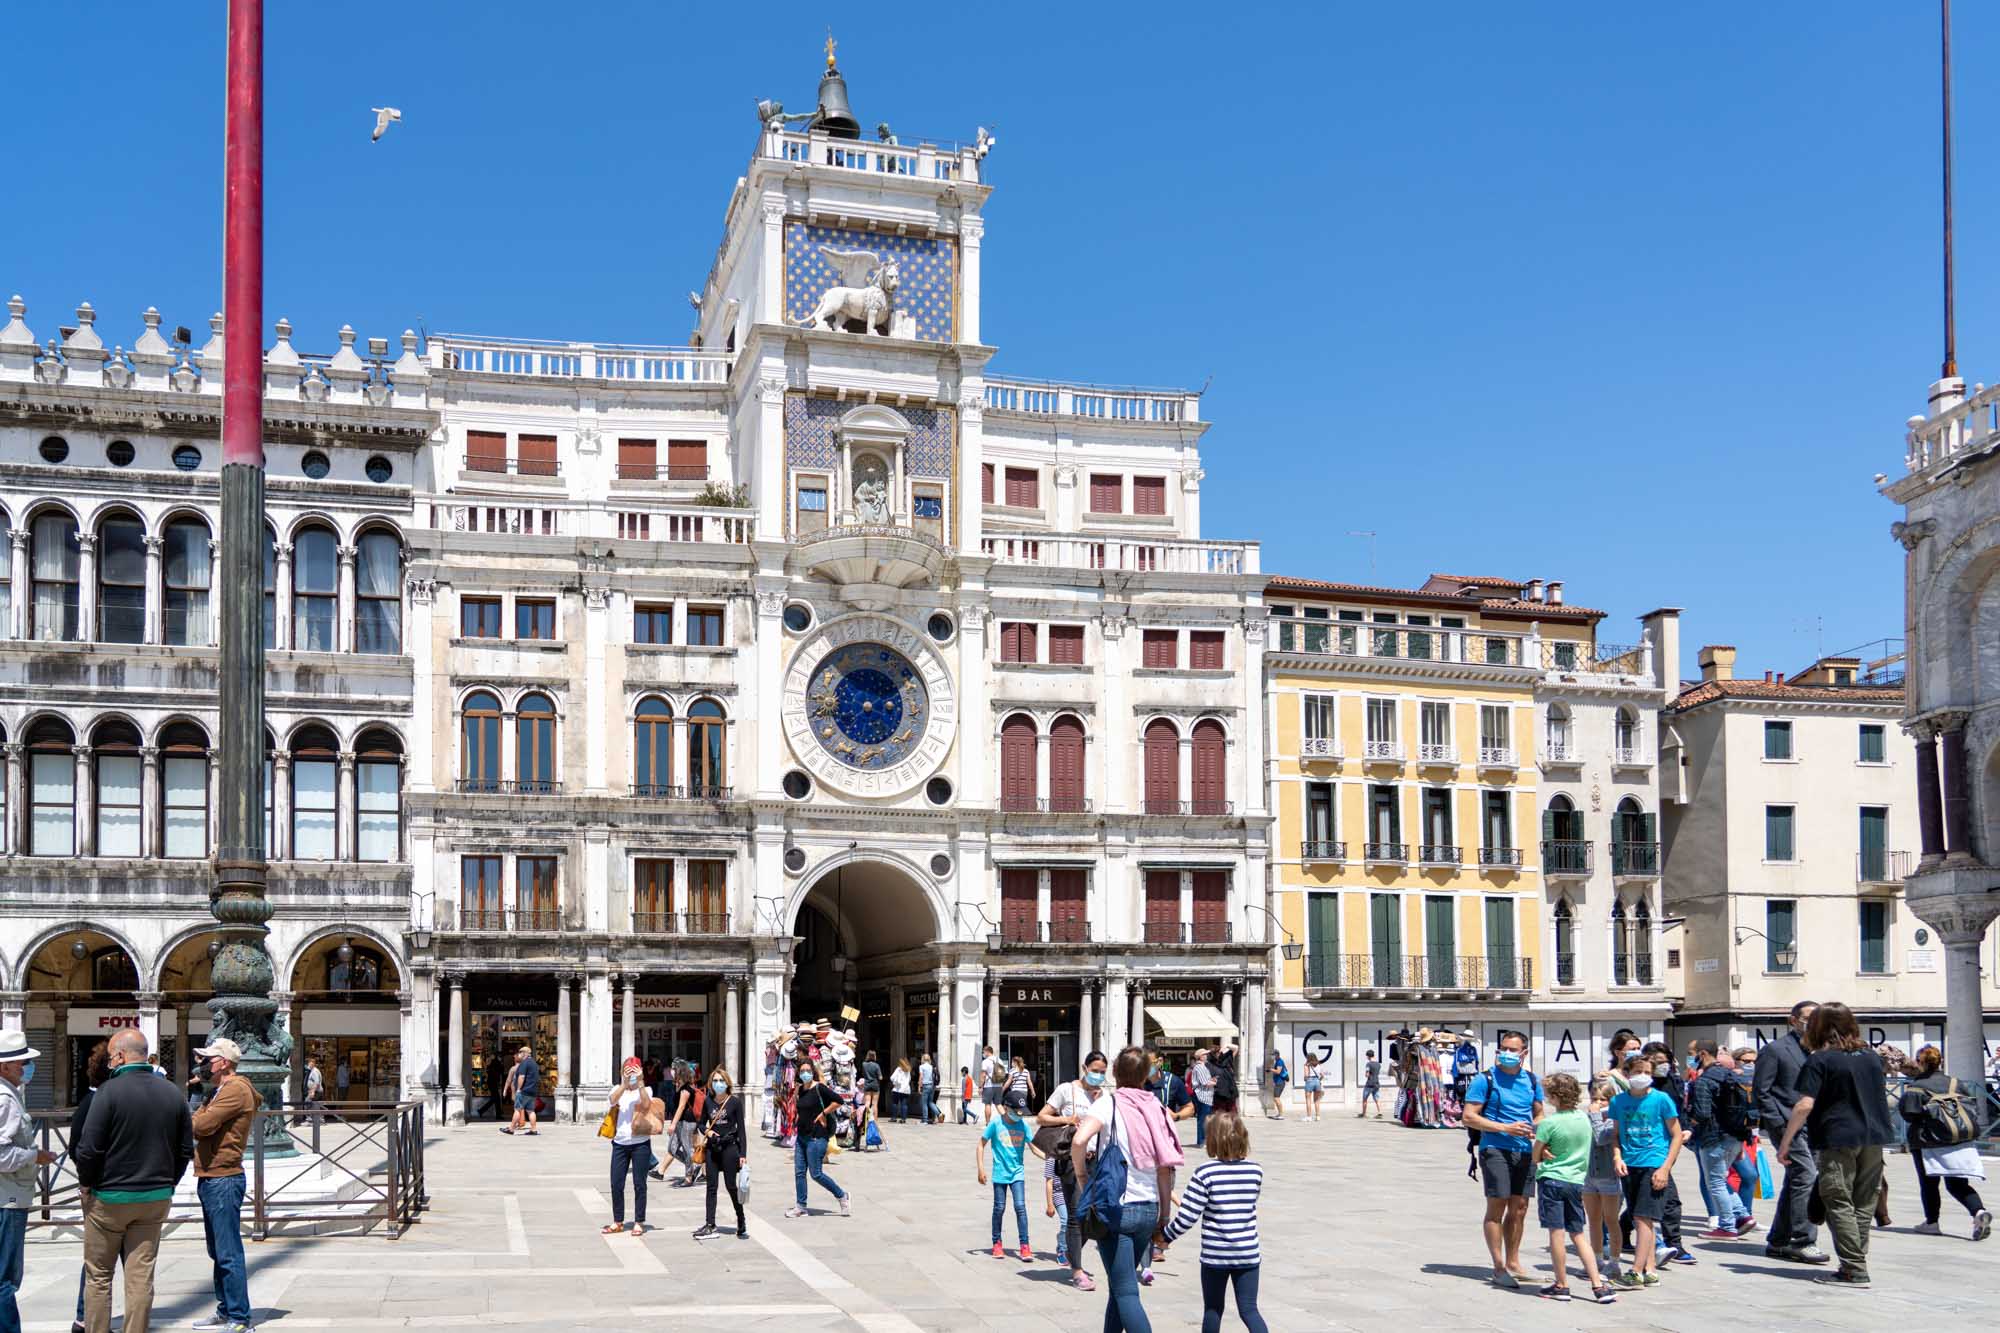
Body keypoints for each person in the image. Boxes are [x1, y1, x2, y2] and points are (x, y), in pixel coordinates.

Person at [73, 1030, 195, 1333]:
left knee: (99, 1275)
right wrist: (169, 1183)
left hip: (110, 1199)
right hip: (154, 1198)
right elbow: (184, 1149)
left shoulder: (107, 1093)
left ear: (120, 1057)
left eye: (113, 1056)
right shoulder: (172, 1093)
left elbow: (88, 1149)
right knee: (140, 1277)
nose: (111, 1061)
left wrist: (87, 1185)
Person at [1779, 1001, 1893, 1288]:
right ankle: (1854, 1261)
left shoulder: (1820, 1060)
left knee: (1837, 1200)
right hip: (1874, 1138)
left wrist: (1785, 1142)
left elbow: (1805, 1105)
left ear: (1817, 1027)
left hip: (1838, 1137)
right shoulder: (1870, 1056)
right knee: (1863, 1203)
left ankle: (1853, 1269)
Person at [1071, 1047, 1185, 1333]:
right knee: (1118, 1287)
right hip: (1148, 1209)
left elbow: (1079, 1140)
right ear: (1147, 1074)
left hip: (1117, 1208)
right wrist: (1163, 1217)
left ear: (1115, 1073)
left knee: (1126, 1292)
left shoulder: (1108, 1104)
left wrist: (1083, 1176)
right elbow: (1164, 1169)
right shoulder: (1158, 1108)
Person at [1161, 1111, 1269, 1332]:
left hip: (1216, 1255)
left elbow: (1188, 1215)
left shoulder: (1206, 1172)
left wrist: (1164, 1237)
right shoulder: (1255, 1170)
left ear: (1213, 1139)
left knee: (1213, 1309)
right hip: (1248, 1252)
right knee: (1249, 1309)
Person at [188, 1037, 259, 1333]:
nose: (202, 1065)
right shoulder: (218, 1091)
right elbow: (200, 1121)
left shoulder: (235, 1090)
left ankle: (240, 1318)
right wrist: (200, 1114)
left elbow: (199, 1125)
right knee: (217, 1250)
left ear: (224, 1063)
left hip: (224, 1177)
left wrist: (199, 1116)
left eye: (208, 1060)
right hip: (211, 1176)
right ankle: (225, 1309)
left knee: (228, 1251)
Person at [1461, 1029, 1542, 1287]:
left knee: (1520, 1208)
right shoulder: (1484, 1079)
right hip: (1494, 1147)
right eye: (1503, 1049)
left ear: (1524, 1053)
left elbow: (1539, 1113)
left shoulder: (1531, 1079)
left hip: (1525, 1150)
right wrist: (1505, 1128)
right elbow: (1469, 1116)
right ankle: (1498, 1266)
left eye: (1512, 1049)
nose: (1506, 1053)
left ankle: (1514, 1262)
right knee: (1497, 1206)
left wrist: (1534, 1127)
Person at [1529, 1073, 1614, 1304]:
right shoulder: (1583, 1119)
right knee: (1577, 1234)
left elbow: (1535, 1155)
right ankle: (1598, 1284)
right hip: (1576, 1181)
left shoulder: (1549, 1123)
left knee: (1556, 1232)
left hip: (1552, 1180)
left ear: (1555, 1097)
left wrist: (1543, 1150)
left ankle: (1561, 1284)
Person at [1755, 999, 1829, 1264]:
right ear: (1793, 1019)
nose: (1813, 1022)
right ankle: (1803, 1239)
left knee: (1797, 1179)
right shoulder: (1775, 1050)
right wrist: (1777, 1124)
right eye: (1808, 1017)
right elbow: (1762, 1092)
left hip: (1814, 1125)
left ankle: (1778, 1240)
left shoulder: (1820, 1051)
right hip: (1788, 1125)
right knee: (1806, 1175)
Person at [1898, 1044, 1991, 1240]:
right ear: (1940, 1062)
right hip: (1957, 1140)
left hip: (1927, 1143)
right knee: (1957, 1184)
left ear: (1919, 1062)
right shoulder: (1956, 1083)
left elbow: (1908, 1114)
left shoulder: (1916, 1087)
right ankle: (1979, 1212)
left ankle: (1932, 1222)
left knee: (1929, 1184)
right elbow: (1972, 1107)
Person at [0, 1030, 59, 1333]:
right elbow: (1, 1155)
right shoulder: (5, 1100)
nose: (26, 1067)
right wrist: (33, 1155)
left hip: (8, 1196)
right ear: (5, 1066)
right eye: (21, 1062)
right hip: (7, 1199)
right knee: (5, 1279)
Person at [1608, 1052, 1681, 1291]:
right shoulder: (1618, 1102)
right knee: (1642, 1218)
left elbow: (1677, 1135)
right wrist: (1617, 1156)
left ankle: (1636, 1271)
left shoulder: (1661, 1099)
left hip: (1654, 1163)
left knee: (1642, 1217)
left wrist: (1665, 1168)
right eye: (1638, 1072)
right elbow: (1616, 1134)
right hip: (1630, 1164)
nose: (1643, 1077)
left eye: (1648, 1072)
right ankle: (1650, 1270)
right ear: (1627, 1074)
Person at [1038, 1050, 1111, 1290]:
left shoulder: (1105, 1096)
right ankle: (1078, 1271)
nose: (1099, 1076)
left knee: (1096, 1213)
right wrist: (1067, 1120)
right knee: (1077, 1213)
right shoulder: (1066, 1089)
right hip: (1070, 1159)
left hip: (1096, 1161)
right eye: (1095, 1071)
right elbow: (1041, 1117)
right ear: (1084, 1067)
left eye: (1102, 1072)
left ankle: (1070, 1250)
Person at [1686, 1039, 1756, 1240]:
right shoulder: (1729, 1075)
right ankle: (1742, 1216)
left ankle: (1727, 1226)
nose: (1691, 1059)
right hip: (1735, 1135)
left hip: (1713, 1137)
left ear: (1702, 1054)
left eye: (1693, 1054)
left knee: (1715, 1182)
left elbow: (1703, 1113)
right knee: (1721, 1179)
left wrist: (1688, 1128)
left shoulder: (1704, 1080)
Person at [1635, 1040, 1694, 1265]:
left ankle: (1623, 1230)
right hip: (1645, 1147)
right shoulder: (1641, 1086)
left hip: (1669, 1145)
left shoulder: (1674, 1082)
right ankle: (1674, 1244)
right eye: (1657, 1062)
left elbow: (1680, 1111)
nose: (1662, 1066)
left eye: (1665, 1062)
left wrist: (1687, 1129)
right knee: (1667, 1197)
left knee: (1647, 1195)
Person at [603, 1057, 661, 1237]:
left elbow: (645, 1105)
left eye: (634, 1070)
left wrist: (641, 1082)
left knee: (639, 1183)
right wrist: (624, 1083)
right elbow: (612, 1100)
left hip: (640, 1143)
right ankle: (618, 1221)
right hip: (620, 1143)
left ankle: (638, 1221)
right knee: (616, 1183)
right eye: (628, 1069)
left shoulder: (647, 1089)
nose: (631, 1073)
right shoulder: (617, 1089)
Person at [785, 1059, 850, 1218]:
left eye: (808, 1070)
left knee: (816, 1174)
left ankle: (842, 1195)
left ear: (812, 1072)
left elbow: (839, 1101)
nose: (805, 1073)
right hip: (802, 1137)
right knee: (799, 1173)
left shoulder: (819, 1088)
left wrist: (824, 1113)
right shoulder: (800, 1090)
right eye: (802, 1071)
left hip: (817, 1137)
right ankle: (801, 1206)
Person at [692, 1067, 747, 1240]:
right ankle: (710, 1224)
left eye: (721, 1081)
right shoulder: (708, 1101)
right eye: (715, 1081)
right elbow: (701, 1124)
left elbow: (742, 1131)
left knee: (731, 1186)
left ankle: (740, 1218)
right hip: (713, 1148)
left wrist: (743, 1154)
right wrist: (708, 1132)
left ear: (727, 1083)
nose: (718, 1084)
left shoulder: (735, 1102)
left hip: (730, 1148)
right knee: (711, 1187)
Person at [1583, 1074, 1626, 1287]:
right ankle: (1596, 1258)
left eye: (1602, 1099)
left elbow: (1602, 1138)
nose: (1597, 1103)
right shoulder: (1589, 1117)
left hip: (1610, 1176)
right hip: (1589, 1176)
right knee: (1594, 1220)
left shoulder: (1612, 1120)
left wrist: (1595, 1117)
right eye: (1594, 1098)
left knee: (1610, 1219)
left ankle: (1615, 1261)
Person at [978, 1099, 1033, 1261]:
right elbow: (981, 1144)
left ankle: (1025, 1245)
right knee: (999, 1208)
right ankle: (997, 1242)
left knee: (1020, 1207)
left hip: (1018, 1172)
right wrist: (981, 1168)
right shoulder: (996, 1123)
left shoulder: (1023, 1125)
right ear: (1007, 1108)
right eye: (1016, 1112)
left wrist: (1050, 1157)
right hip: (1000, 1173)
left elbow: (1034, 1146)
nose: (1019, 1115)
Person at [1187, 1048, 1217, 1144]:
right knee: (1203, 1119)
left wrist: (1212, 1080)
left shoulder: (1202, 1067)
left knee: (1203, 1119)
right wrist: (1215, 1082)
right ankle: (1202, 1140)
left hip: (1205, 1095)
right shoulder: (1199, 1067)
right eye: (1205, 1054)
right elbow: (1205, 1082)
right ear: (1200, 1056)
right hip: (1202, 1096)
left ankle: (1203, 1140)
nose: (1206, 1056)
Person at [509, 1046, 541, 1136]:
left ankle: (511, 1128)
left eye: (520, 1052)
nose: (519, 1054)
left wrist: (519, 1089)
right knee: (531, 1111)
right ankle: (533, 1129)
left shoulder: (525, 1063)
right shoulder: (534, 1063)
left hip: (524, 1091)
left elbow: (521, 1076)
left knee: (518, 1109)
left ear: (524, 1053)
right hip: (532, 1091)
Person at [1211, 1045, 1240, 1115]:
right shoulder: (1211, 1063)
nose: (1217, 1054)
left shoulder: (1226, 1058)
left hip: (1230, 1091)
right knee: (1220, 1115)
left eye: (1218, 1052)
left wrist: (1226, 1045)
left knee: (1232, 1114)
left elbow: (1236, 1048)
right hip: (1219, 1093)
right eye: (1215, 1053)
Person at [979, 1046, 1002, 1125]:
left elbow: (983, 1075)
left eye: (984, 1052)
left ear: (987, 1051)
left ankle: (988, 1123)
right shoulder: (1000, 1060)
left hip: (989, 1086)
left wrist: (981, 1087)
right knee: (998, 1104)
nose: (983, 1054)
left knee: (987, 1104)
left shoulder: (985, 1061)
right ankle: (1006, 1122)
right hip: (999, 1085)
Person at [1357, 1049, 1382, 1120]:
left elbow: (1367, 1074)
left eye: (1367, 1056)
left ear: (1368, 1056)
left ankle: (1364, 1113)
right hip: (1376, 1083)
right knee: (1377, 1099)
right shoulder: (1378, 1064)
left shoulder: (1368, 1064)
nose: (1367, 1058)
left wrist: (1366, 1074)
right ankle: (1380, 1112)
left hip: (1369, 1084)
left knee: (1364, 1099)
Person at [861, 1050, 883, 1124]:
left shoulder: (864, 1064)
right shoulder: (876, 1065)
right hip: (875, 1085)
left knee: (867, 1103)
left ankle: (866, 1118)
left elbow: (863, 1074)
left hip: (867, 1084)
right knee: (874, 1104)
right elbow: (880, 1077)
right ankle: (875, 1121)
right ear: (874, 1056)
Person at [1264, 1053, 1287, 1120]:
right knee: (1276, 1098)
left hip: (1280, 1082)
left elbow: (1278, 1071)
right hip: (1278, 1082)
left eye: (1273, 1055)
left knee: (1276, 1098)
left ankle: (1281, 1114)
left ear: (1277, 1055)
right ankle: (1279, 1114)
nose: (1272, 1056)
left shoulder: (1279, 1061)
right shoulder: (1277, 1061)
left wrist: (1271, 1069)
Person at [1300, 1054, 1323, 1122]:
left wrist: (1305, 1079)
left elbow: (1306, 1075)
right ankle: (1318, 1116)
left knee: (1308, 1100)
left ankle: (1309, 1117)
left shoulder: (1307, 1065)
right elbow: (1322, 1075)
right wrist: (1318, 1080)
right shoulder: (1319, 1064)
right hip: (1317, 1081)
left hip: (1309, 1081)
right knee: (1316, 1100)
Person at [889, 1059, 911, 1123]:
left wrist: (895, 1083)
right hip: (906, 1089)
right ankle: (903, 1119)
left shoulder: (898, 1069)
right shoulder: (908, 1070)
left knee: (895, 1103)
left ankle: (894, 1118)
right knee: (904, 1104)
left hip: (897, 1089)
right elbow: (909, 1079)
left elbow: (892, 1077)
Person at [918, 1053, 938, 1125]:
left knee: (924, 1103)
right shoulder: (931, 1067)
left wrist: (919, 1086)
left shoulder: (921, 1066)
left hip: (925, 1085)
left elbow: (921, 1077)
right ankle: (938, 1113)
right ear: (929, 1059)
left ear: (923, 1059)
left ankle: (925, 1120)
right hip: (931, 1086)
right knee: (930, 1102)